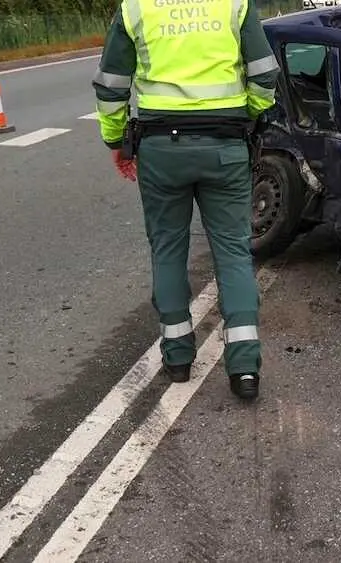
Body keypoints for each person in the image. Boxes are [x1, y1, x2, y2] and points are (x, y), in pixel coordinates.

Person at [91, 0, 279, 400]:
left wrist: (116, 139)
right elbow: (265, 73)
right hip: (225, 145)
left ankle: (177, 358)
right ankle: (245, 368)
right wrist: (248, 113)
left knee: (167, 249)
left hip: (161, 149)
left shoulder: (135, 8)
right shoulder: (235, 4)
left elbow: (111, 84)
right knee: (233, 253)